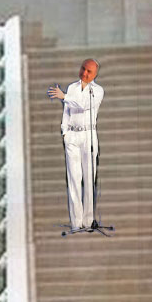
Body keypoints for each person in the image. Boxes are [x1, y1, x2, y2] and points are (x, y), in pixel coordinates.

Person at [47, 59, 104, 232]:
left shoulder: (98, 91)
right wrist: (65, 132)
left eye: (89, 71)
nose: (84, 73)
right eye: (83, 69)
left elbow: (83, 104)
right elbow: (67, 112)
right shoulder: (72, 87)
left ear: (95, 74)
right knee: (73, 178)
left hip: (88, 135)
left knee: (89, 178)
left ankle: (88, 220)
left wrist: (64, 97)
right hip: (72, 136)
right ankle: (76, 222)